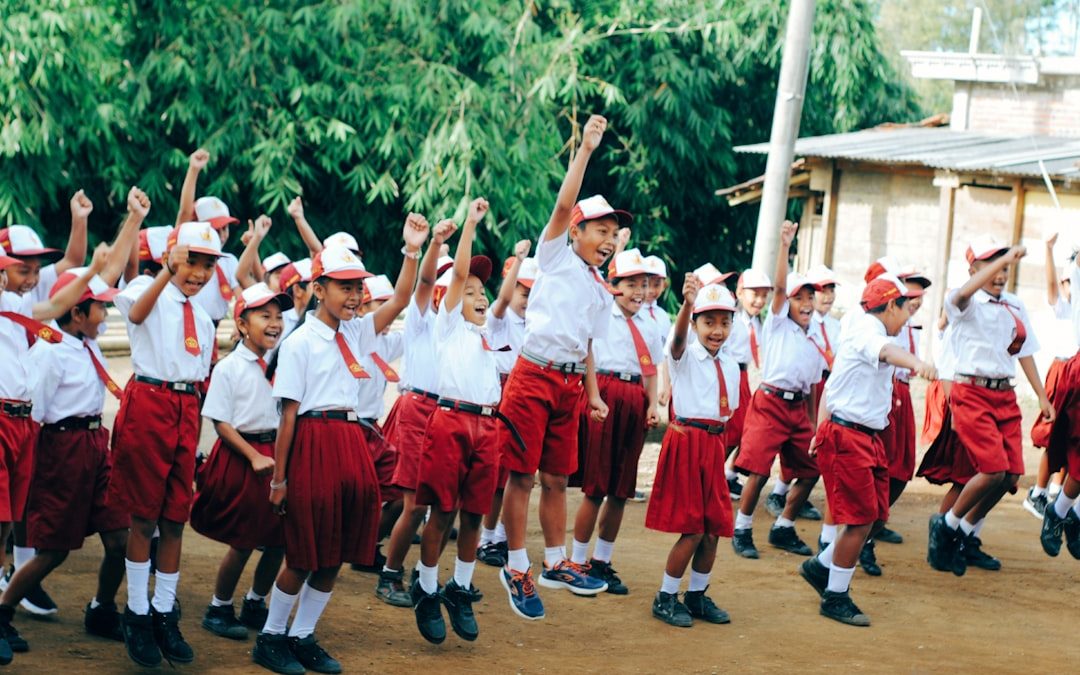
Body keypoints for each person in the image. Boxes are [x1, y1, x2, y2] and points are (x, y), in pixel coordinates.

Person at [252, 217, 428, 675]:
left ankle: (302, 635)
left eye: (357, 288)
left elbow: (404, 299)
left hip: (352, 441)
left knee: (339, 551)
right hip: (313, 441)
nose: (353, 296)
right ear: (318, 288)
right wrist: (279, 479)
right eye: (343, 287)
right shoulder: (299, 343)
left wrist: (411, 250)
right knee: (305, 553)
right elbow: (288, 416)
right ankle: (271, 638)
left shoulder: (357, 332)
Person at [496, 114, 621, 620]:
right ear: (577, 231)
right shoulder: (555, 258)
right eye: (601, 230)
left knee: (556, 478)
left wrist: (591, 393)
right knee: (521, 477)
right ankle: (516, 565)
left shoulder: (598, 286)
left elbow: (587, 344)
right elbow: (564, 204)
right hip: (533, 375)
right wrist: (586, 150)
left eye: (615, 233)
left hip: (569, 385)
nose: (610, 240)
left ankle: (556, 562)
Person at [109, 220, 225, 667]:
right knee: (143, 516)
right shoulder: (148, 286)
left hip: (184, 407)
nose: (197, 273)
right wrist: (164, 271)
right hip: (150, 401)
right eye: (191, 261)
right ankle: (136, 613)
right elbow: (136, 314)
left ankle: (163, 612)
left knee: (176, 516)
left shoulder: (205, 313)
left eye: (207, 265)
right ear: (173, 256)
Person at [799, 274, 933, 627]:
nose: (908, 318)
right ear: (891, 306)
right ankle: (835, 596)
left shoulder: (870, 332)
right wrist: (916, 364)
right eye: (905, 309)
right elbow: (888, 352)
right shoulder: (869, 333)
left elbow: (832, 386)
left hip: (865, 436)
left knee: (876, 517)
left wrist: (819, 427)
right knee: (859, 522)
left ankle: (822, 565)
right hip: (848, 436)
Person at [411, 198, 508, 644]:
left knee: (475, 514)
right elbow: (454, 273)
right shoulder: (445, 325)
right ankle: (427, 588)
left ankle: (460, 586)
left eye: (481, 292)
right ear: (448, 300)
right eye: (468, 292)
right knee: (442, 512)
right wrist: (469, 225)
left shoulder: (487, 336)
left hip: (487, 428)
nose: (478, 296)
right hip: (451, 423)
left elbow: (502, 296)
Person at [927, 236, 1053, 576]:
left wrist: (1041, 395)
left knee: (1010, 475)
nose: (1000, 274)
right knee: (991, 470)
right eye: (990, 266)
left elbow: (1024, 351)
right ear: (973, 269)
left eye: (1005, 267)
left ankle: (964, 534)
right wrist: (1006, 258)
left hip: (1005, 395)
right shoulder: (963, 301)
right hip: (972, 392)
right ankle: (947, 525)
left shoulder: (1014, 304)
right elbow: (964, 294)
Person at [192, 283, 293, 641]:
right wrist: (253, 456)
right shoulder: (230, 367)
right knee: (245, 539)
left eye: (279, 317)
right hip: (244, 457)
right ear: (241, 323)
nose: (274, 323)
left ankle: (255, 600)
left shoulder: (281, 364)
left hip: (274, 457)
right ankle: (219, 606)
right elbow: (220, 421)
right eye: (264, 316)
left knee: (279, 539)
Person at [646, 276, 739, 628]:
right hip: (687, 441)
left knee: (714, 527)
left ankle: (697, 595)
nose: (717, 330)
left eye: (724, 322)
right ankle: (666, 596)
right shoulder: (684, 354)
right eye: (709, 321)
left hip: (713, 444)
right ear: (697, 322)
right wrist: (686, 306)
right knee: (693, 528)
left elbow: (726, 413)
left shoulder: (730, 363)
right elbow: (679, 340)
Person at [569, 249, 661, 595]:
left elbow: (651, 370)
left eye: (645, 284)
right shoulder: (601, 315)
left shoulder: (650, 325)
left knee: (621, 487)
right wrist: (593, 395)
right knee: (596, 485)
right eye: (632, 284)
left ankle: (601, 561)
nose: (639, 291)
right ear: (614, 285)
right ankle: (576, 562)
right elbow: (587, 354)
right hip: (604, 392)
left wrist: (652, 404)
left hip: (633, 397)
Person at [732, 221, 826, 559]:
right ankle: (741, 528)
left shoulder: (815, 335)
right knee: (758, 469)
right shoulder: (777, 323)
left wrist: (814, 425)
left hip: (798, 408)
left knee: (811, 470)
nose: (804, 302)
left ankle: (783, 526)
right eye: (797, 297)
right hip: (770, 403)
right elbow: (781, 287)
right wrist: (785, 245)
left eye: (809, 297)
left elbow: (814, 386)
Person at [375, 222, 456, 608]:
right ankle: (390, 573)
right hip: (417, 408)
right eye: (453, 280)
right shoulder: (424, 318)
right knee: (413, 503)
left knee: (445, 502)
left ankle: (425, 580)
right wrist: (434, 245)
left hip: (449, 415)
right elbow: (422, 281)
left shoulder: (464, 327)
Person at [476, 243, 536, 568]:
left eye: (533, 293)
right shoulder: (500, 319)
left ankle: (500, 534)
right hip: (501, 393)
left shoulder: (535, 322)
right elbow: (501, 300)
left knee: (518, 469)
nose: (527, 300)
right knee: (498, 472)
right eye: (524, 292)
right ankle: (486, 538)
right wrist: (520, 262)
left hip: (526, 393)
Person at [351, 273, 406, 572]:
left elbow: (419, 328)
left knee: (401, 492)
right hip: (350, 428)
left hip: (373, 428)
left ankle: (367, 546)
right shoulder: (354, 337)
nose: (389, 311)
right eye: (380, 304)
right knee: (355, 497)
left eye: (390, 304)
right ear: (361, 309)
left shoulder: (387, 341)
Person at [1025, 233, 1074, 518]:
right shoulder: (1064, 308)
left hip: (1076, 373)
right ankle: (1038, 493)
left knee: (1073, 437)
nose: (1070, 287)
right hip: (1062, 372)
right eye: (1067, 282)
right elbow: (1051, 286)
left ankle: (1055, 493)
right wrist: (1048, 249)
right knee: (1055, 435)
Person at [721, 267, 772, 499]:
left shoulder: (759, 324)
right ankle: (716, 473)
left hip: (746, 378)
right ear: (740, 292)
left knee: (745, 430)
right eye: (755, 294)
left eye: (764, 295)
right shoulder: (730, 318)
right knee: (732, 429)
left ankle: (728, 474)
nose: (760, 300)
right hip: (730, 374)